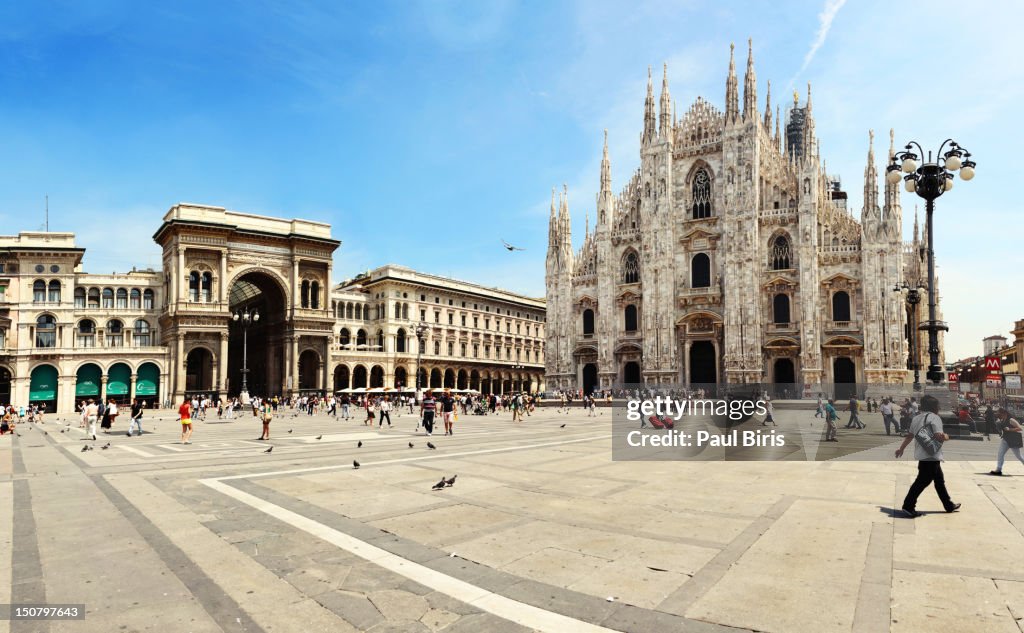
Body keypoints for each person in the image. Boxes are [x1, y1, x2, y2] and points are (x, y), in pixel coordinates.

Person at [895, 395, 960, 517]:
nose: (939, 408)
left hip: (922, 454)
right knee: (923, 481)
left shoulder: (916, 418)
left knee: (939, 480)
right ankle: (908, 506)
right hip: (932, 455)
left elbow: (910, 436)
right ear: (934, 407)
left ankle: (948, 505)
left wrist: (901, 448)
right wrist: (947, 436)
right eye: (938, 406)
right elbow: (938, 436)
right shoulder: (935, 418)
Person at [989, 408, 1024, 476]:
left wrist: (1010, 429)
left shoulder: (1011, 420)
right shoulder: (1002, 420)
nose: (998, 415)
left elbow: (1020, 428)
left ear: (1003, 413)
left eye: (999, 413)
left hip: (1013, 440)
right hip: (1005, 440)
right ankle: (999, 469)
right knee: (1000, 454)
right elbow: (1003, 429)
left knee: (1019, 456)